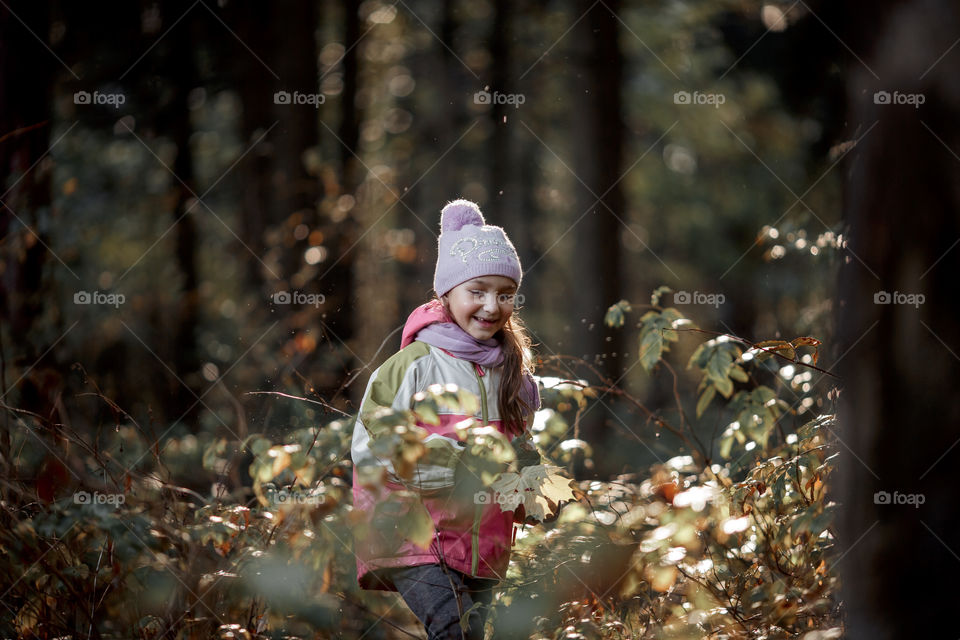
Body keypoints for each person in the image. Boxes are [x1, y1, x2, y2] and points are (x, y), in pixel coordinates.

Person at [350, 199, 546, 640]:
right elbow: (369, 443)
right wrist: (434, 468)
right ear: (447, 293)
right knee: (453, 630)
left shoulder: (509, 371)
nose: (492, 305)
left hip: (483, 545)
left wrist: (530, 483)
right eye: (477, 290)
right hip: (414, 537)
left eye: (504, 293)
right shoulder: (414, 365)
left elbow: (517, 447)